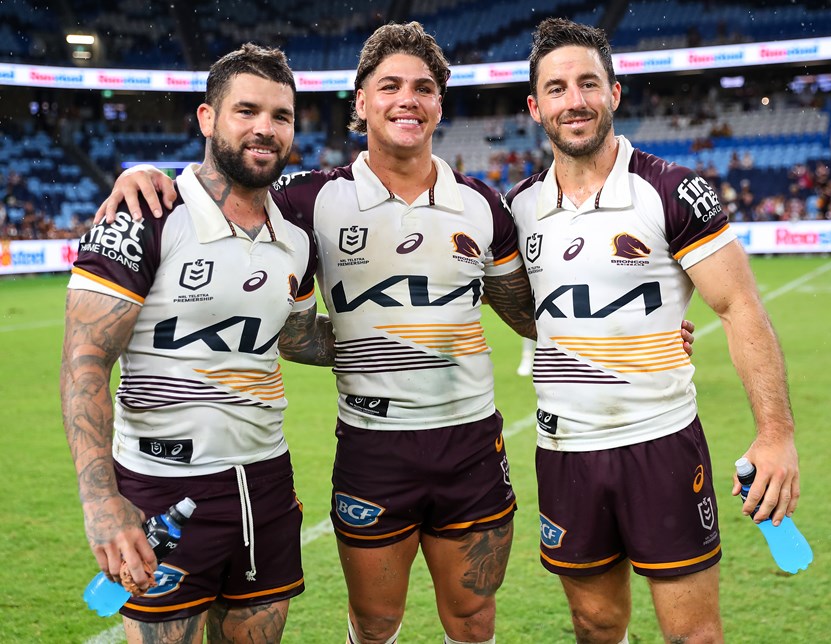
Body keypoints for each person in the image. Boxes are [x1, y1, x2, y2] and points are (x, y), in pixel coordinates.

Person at [93, 23, 696, 644]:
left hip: (470, 447)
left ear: (439, 103)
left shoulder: (483, 206)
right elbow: (228, 184)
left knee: (473, 618)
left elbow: (528, 310)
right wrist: (148, 176)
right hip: (372, 446)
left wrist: (637, 327)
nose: (407, 99)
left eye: (424, 88)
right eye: (389, 86)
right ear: (360, 102)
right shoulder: (307, 203)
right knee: (377, 621)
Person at [505, 18, 800, 643]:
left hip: (661, 445)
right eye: (556, 89)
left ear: (615, 93)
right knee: (595, 624)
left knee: (694, 636)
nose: (574, 100)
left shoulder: (669, 191)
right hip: (564, 452)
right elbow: (521, 307)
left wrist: (775, 435)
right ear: (535, 107)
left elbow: (741, 307)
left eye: (589, 83)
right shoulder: (518, 209)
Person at [61, 44, 333, 643]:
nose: (265, 128)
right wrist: (101, 501)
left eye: (281, 116)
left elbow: (297, 339)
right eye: (247, 111)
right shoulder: (145, 216)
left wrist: (409, 329)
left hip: (266, 485)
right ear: (208, 119)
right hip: (162, 489)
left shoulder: (293, 237)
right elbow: (85, 363)